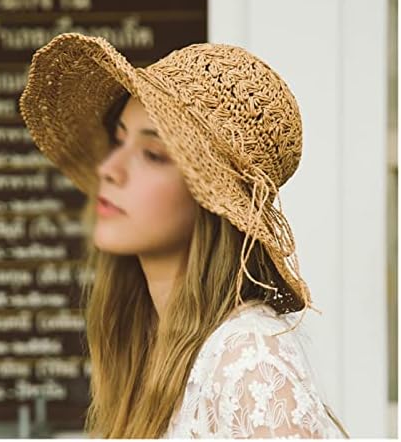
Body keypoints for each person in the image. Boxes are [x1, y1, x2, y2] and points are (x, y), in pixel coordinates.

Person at [19, 33, 350, 439]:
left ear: (211, 201)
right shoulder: (151, 343)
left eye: (153, 155)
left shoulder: (252, 360)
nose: (110, 168)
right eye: (119, 139)